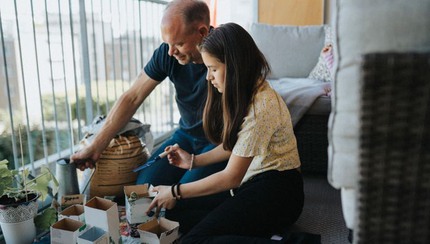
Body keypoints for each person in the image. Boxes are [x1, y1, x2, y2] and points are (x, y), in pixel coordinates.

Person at [70, 0, 229, 232]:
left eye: (179, 43)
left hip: (218, 144)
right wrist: (96, 147)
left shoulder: (228, 52)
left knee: (177, 201)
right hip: (185, 137)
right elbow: (132, 97)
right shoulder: (168, 52)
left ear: (202, 32)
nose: (171, 51)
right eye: (167, 44)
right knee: (143, 190)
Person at [147, 22, 305, 243]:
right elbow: (237, 146)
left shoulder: (262, 106)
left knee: (193, 240)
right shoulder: (247, 91)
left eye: (212, 69)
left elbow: (231, 177)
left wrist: (174, 191)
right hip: (251, 183)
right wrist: (194, 160)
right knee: (175, 214)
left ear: (234, 65)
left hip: (278, 191)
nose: (207, 77)